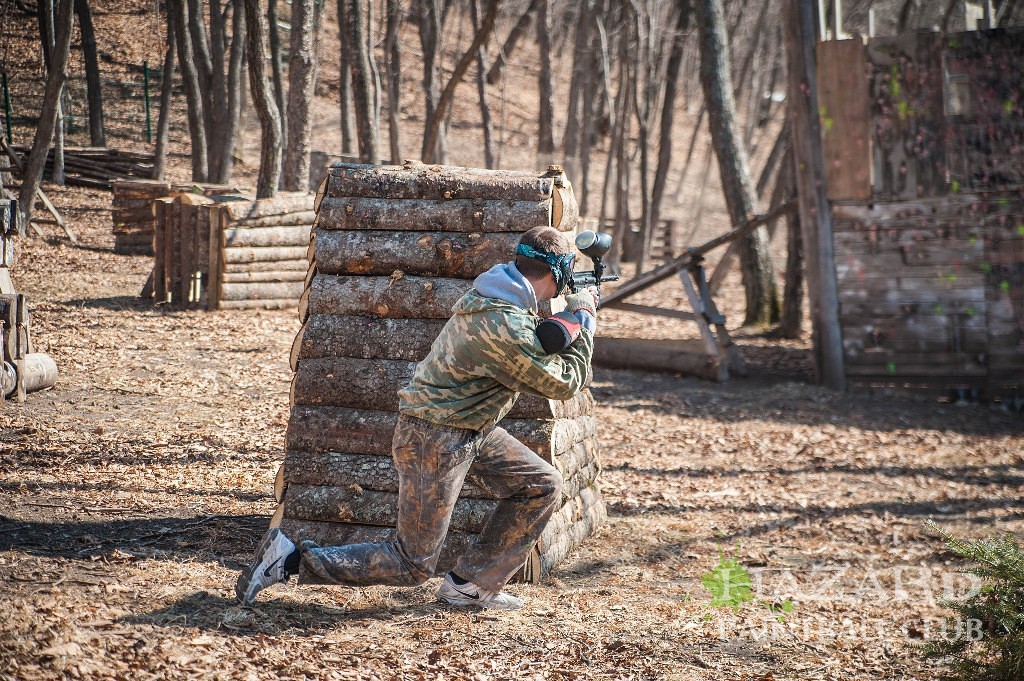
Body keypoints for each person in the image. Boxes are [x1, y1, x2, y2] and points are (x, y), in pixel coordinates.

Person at [235, 225, 598, 611]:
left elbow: (536, 339)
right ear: (557, 274)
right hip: (436, 437)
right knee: (411, 563)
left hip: (467, 427)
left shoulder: (499, 294)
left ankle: (469, 585)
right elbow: (562, 382)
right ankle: (290, 559)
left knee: (540, 484)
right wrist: (586, 321)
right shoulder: (502, 323)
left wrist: (568, 318)